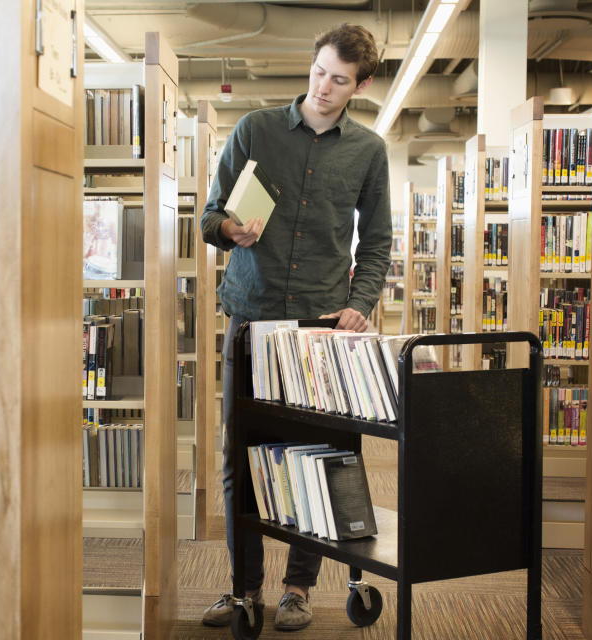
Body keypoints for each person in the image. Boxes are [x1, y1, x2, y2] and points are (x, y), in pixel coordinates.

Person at [200, 24, 392, 631]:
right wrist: (229, 230)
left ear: (361, 84)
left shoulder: (370, 150)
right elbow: (209, 216)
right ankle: (242, 589)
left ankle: (298, 589)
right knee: (242, 460)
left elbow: (380, 242)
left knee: (324, 456)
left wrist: (361, 301)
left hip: (321, 326)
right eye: (318, 73)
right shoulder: (255, 130)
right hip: (252, 319)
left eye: (339, 80)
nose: (324, 88)